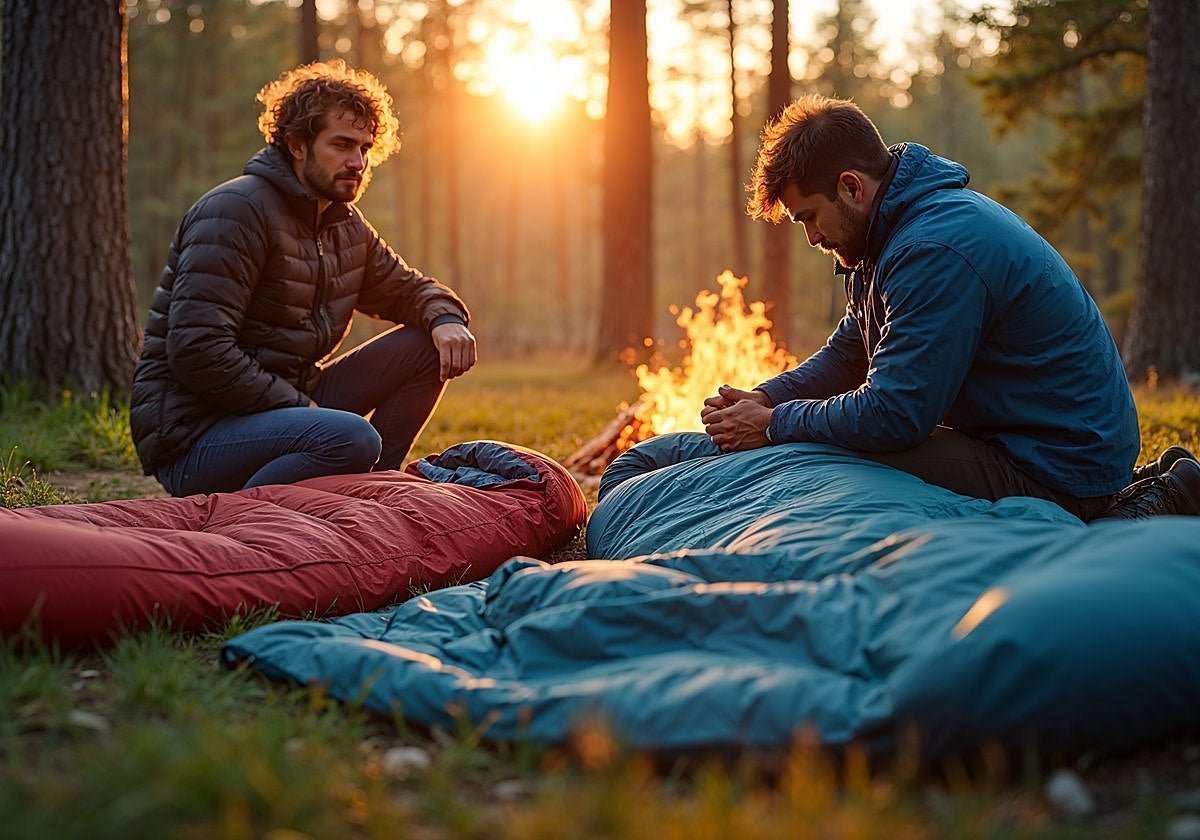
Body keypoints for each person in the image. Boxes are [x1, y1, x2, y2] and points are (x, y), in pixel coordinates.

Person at [701, 94, 1199, 522]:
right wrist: (764, 399)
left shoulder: (933, 250)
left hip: (1057, 466)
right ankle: (1149, 486)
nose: (811, 237)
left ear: (851, 187)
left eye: (809, 217)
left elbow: (894, 416)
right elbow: (849, 354)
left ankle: (1136, 505)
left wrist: (775, 425)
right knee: (829, 440)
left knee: (837, 457)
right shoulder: (889, 234)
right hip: (1036, 440)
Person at [130, 60, 476, 497]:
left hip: (292, 408)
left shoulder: (342, 223)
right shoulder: (235, 212)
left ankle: (372, 494)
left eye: (366, 148)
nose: (358, 162)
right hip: (199, 435)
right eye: (343, 145)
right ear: (296, 144)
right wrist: (298, 407)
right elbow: (198, 349)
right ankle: (240, 521)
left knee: (427, 344)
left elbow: (407, 289)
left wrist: (445, 317)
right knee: (351, 438)